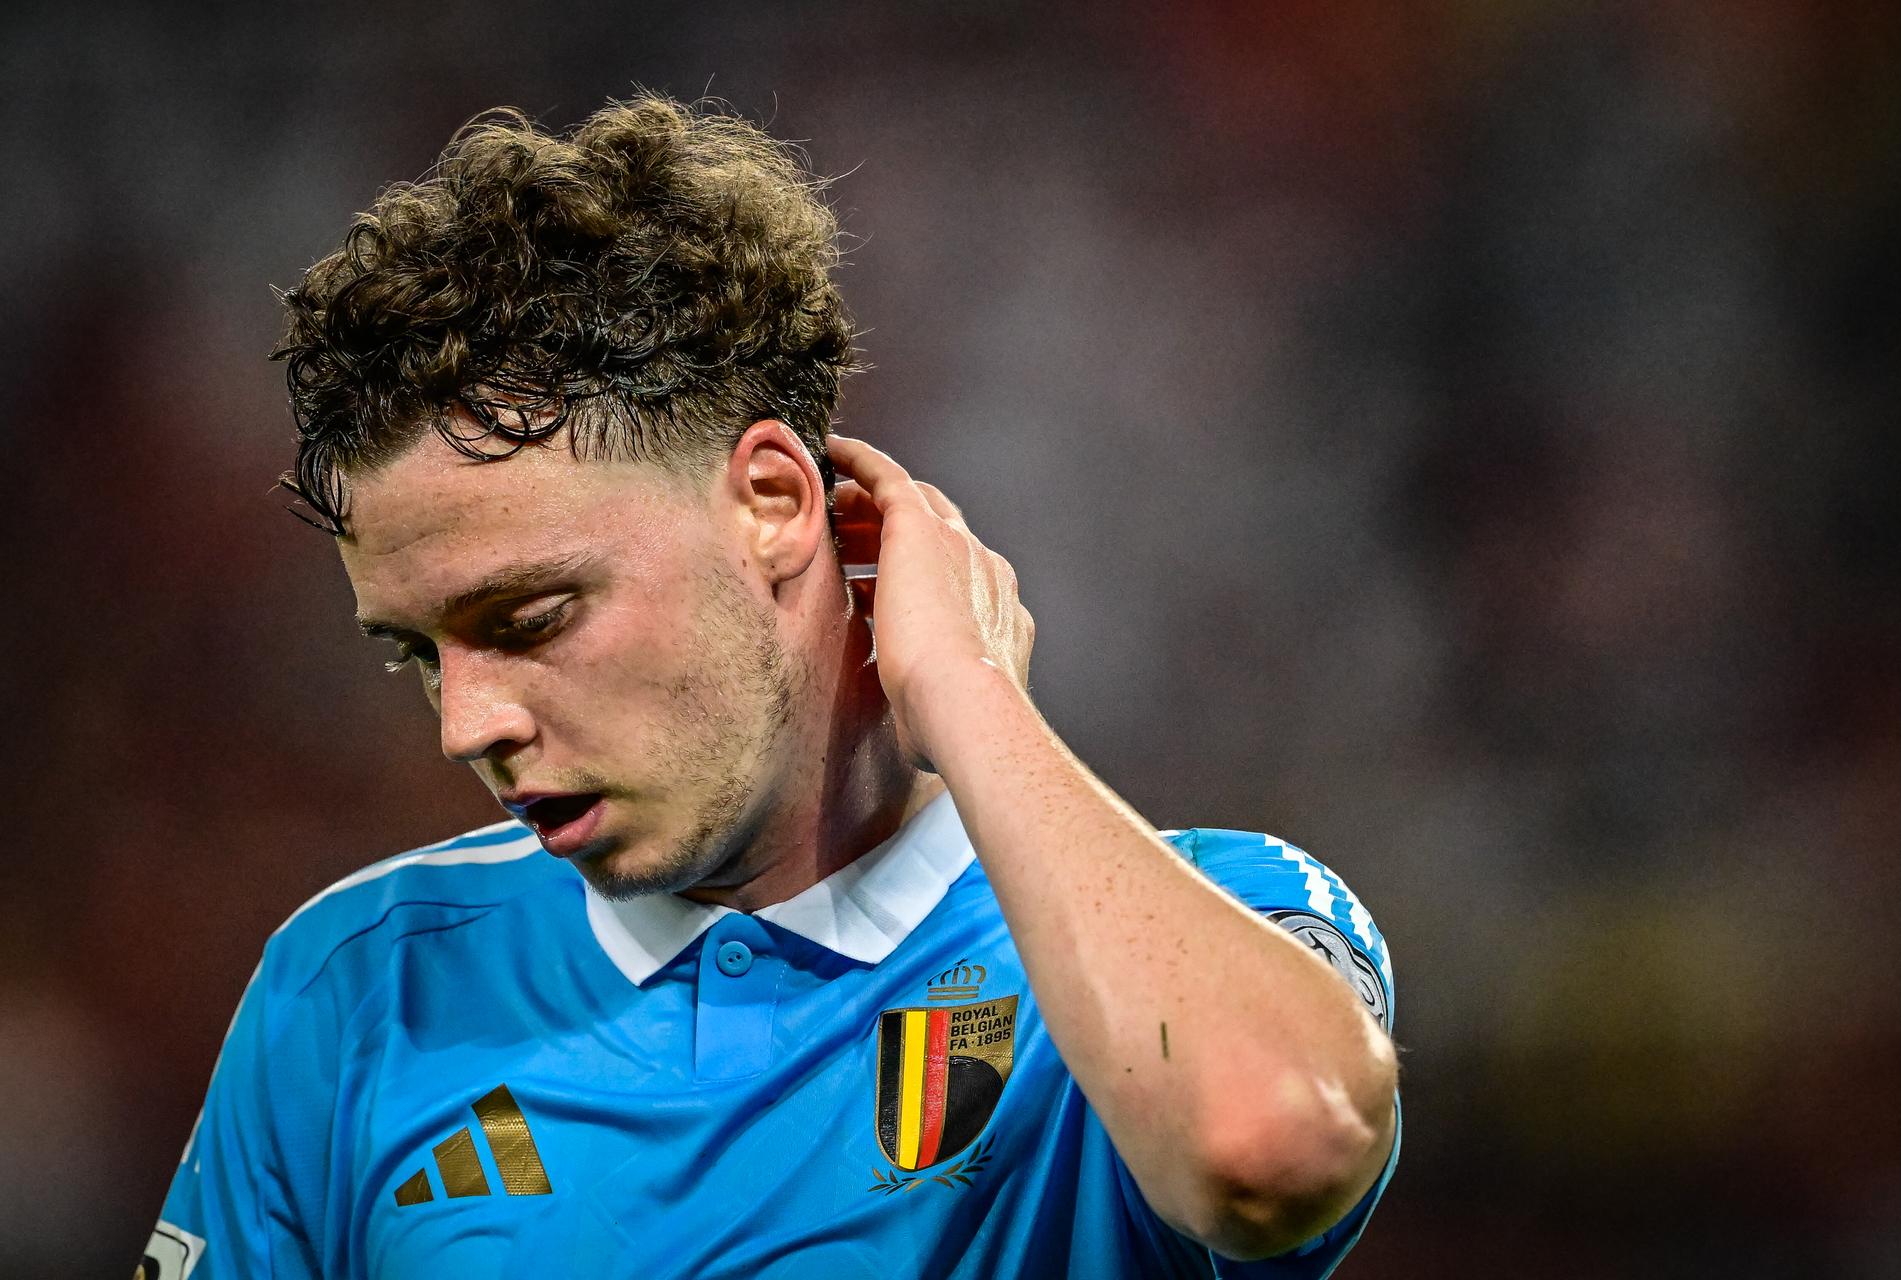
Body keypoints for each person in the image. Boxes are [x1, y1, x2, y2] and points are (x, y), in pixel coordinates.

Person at [142, 93, 1400, 1280]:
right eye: (418, 653)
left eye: (528, 619)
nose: (467, 725)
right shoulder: (358, 986)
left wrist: (965, 691)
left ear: (774, 503)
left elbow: (1269, 1145)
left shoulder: (1204, 924)